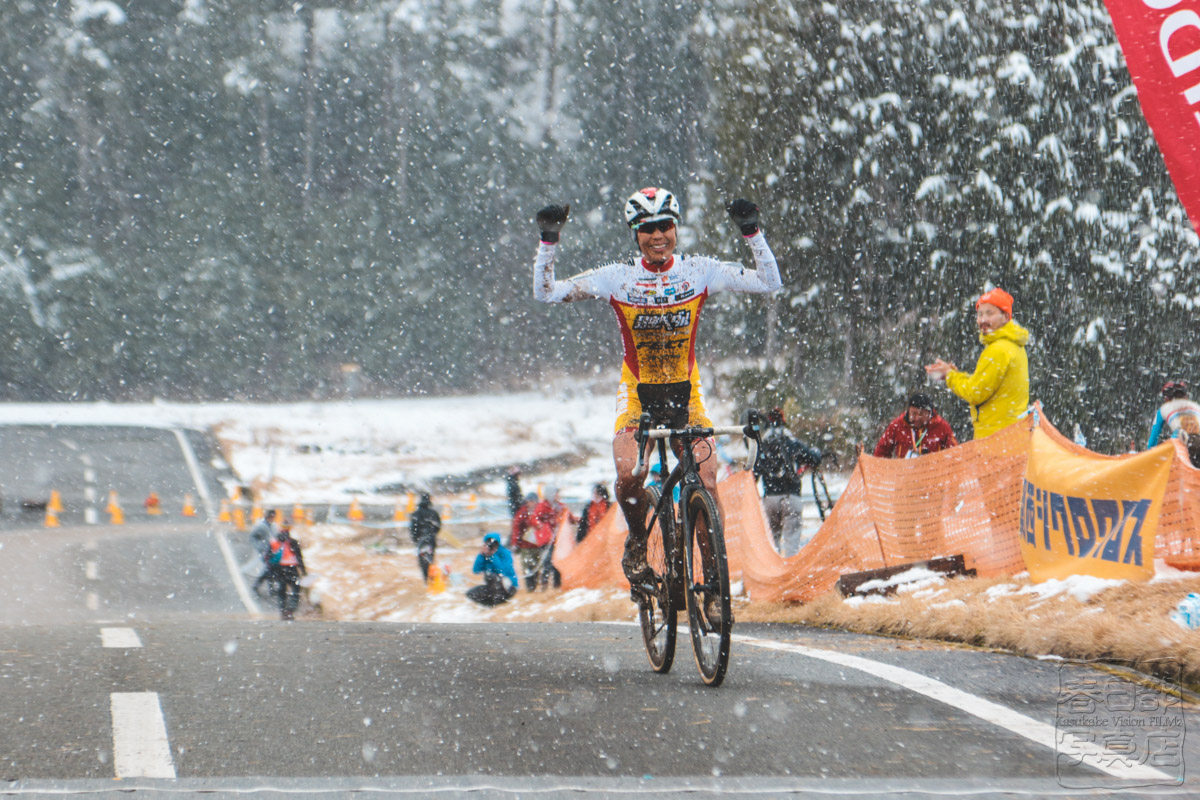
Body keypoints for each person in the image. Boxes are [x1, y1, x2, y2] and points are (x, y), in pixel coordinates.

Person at [533, 188, 782, 609]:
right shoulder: (618, 277)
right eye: (647, 229)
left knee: (705, 481)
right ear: (635, 234)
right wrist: (548, 242)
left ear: (676, 227)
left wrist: (751, 232)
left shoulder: (699, 271)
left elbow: (770, 281)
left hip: (686, 394)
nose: (657, 236)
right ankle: (636, 541)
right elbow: (548, 292)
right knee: (629, 473)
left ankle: (715, 587)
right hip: (638, 394)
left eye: (664, 226)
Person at [925, 287, 1029, 440]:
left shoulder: (998, 350)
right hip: (1011, 436)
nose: (982, 320)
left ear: (1006, 317)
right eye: (980, 314)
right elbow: (983, 385)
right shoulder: (1013, 346)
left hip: (997, 441)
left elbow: (975, 392)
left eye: (989, 313)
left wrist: (950, 376)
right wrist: (955, 375)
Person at [753, 408, 823, 556]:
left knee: (773, 542)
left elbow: (754, 474)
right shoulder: (793, 443)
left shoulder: (763, 446)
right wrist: (816, 451)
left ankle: (775, 573)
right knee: (792, 541)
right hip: (792, 497)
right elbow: (814, 459)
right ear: (784, 422)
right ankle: (791, 574)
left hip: (770, 499)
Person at [873, 394, 959, 459]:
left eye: (921, 414)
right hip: (904, 477)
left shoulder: (942, 427)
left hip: (933, 477)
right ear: (908, 411)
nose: (917, 418)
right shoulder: (897, 425)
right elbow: (881, 451)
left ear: (929, 413)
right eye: (913, 414)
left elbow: (955, 455)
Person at [532, 487, 576, 589]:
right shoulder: (542, 506)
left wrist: (577, 520)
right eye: (556, 494)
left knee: (557, 562)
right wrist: (543, 527)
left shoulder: (561, 507)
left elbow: (570, 518)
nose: (558, 496)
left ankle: (557, 585)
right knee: (547, 562)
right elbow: (535, 519)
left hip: (558, 539)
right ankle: (544, 584)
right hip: (547, 540)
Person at [1148, 381, 1200, 465]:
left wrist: (1149, 457)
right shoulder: (1196, 406)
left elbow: (1153, 438)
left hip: (1183, 442)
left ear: (1167, 398)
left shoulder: (1164, 409)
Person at [467, 533, 519, 607]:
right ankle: (489, 606)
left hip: (508, 586)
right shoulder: (485, 555)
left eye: (494, 544)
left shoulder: (505, 553)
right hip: (492, 586)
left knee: (491, 576)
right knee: (471, 593)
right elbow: (476, 570)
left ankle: (498, 601)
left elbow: (502, 571)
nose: (491, 546)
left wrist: (493, 556)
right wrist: (481, 555)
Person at [268, 522, 306, 620]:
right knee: (295, 590)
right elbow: (299, 558)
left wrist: (271, 572)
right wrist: (303, 571)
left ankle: (283, 611)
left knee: (282, 591)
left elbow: (268, 557)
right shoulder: (293, 542)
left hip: (279, 570)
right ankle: (290, 610)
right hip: (291, 569)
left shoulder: (275, 542)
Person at [511, 492, 548, 591]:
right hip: (525, 546)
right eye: (528, 501)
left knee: (537, 567)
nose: (529, 503)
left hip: (539, 545)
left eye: (531, 501)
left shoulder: (540, 512)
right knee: (527, 567)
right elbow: (516, 529)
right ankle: (530, 588)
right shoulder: (522, 513)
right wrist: (515, 543)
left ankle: (536, 585)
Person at [409, 493, 442, 582]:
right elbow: (438, 526)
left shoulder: (416, 514)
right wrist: (433, 534)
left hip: (421, 540)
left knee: (422, 561)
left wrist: (415, 539)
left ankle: (426, 579)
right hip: (431, 539)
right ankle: (432, 580)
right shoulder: (433, 513)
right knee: (430, 560)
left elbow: (413, 529)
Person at [248, 509, 278, 597]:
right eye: (271, 517)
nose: (272, 518)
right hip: (265, 551)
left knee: (269, 570)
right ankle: (267, 588)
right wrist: (260, 547)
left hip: (272, 550)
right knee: (269, 569)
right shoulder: (261, 526)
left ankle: (260, 586)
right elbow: (252, 537)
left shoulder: (272, 526)